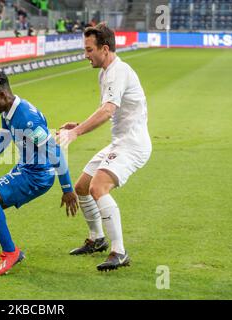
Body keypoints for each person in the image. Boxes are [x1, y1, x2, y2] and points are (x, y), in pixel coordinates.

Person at [0, 69, 78, 276]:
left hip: (37, 175)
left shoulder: (26, 119)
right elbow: (0, 143)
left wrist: (67, 189)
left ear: (2, 95)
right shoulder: (8, 111)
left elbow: (54, 152)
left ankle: (11, 252)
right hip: (26, 168)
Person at [57, 23, 152, 271]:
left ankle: (119, 251)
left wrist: (76, 132)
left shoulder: (118, 71)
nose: (85, 55)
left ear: (105, 48)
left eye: (89, 50)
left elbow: (108, 110)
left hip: (133, 144)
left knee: (98, 187)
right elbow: (108, 111)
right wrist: (77, 125)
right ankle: (97, 238)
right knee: (82, 187)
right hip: (120, 141)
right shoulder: (105, 72)